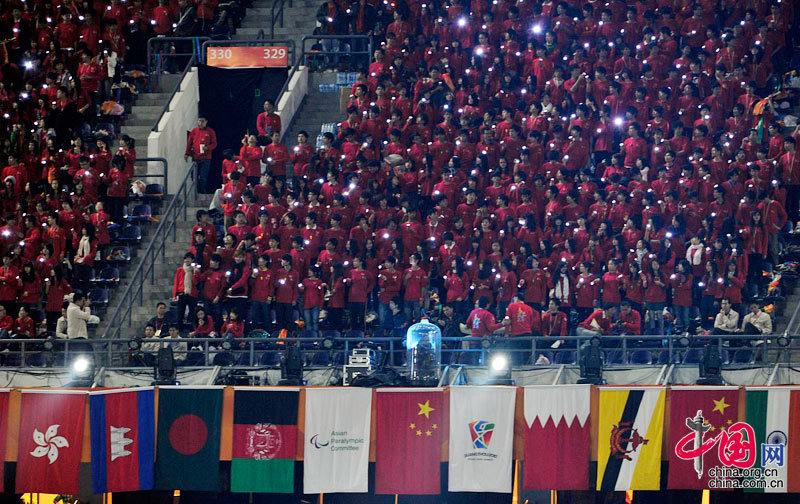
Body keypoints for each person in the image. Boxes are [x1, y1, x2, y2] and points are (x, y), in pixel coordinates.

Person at [185, 115, 218, 194]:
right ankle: (195, 192)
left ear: (206, 122)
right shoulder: (194, 131)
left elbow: (214, 143)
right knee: (193, 176)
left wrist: (208, 148)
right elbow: (189, 143)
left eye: (202, 121)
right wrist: (187, 153)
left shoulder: (210, 131)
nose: (200, 123)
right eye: (199, 121)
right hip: (195, 157)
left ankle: (202, 192)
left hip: (206, 158)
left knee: (203, 177)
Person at [503, 294, 539, 365]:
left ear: (516, 298)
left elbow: (507, 320)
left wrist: (506, 333)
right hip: (527, 334)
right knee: (526, 356)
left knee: (515, 357)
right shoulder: (529, 308)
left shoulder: (511, 306)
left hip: (516, 335)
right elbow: (532, 322)